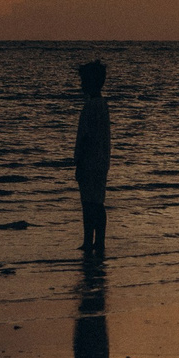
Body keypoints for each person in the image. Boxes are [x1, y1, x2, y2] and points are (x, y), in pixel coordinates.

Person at [75, 60, 110, 253]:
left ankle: (91, 240)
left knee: (89, 204)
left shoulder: (91, 107)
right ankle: (97, 241)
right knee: (96, 202)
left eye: (83, 80)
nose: (81, 84)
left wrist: (79, 162)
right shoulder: (102, 105)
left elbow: (86, 137)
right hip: (101, 161)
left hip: (90, 162)